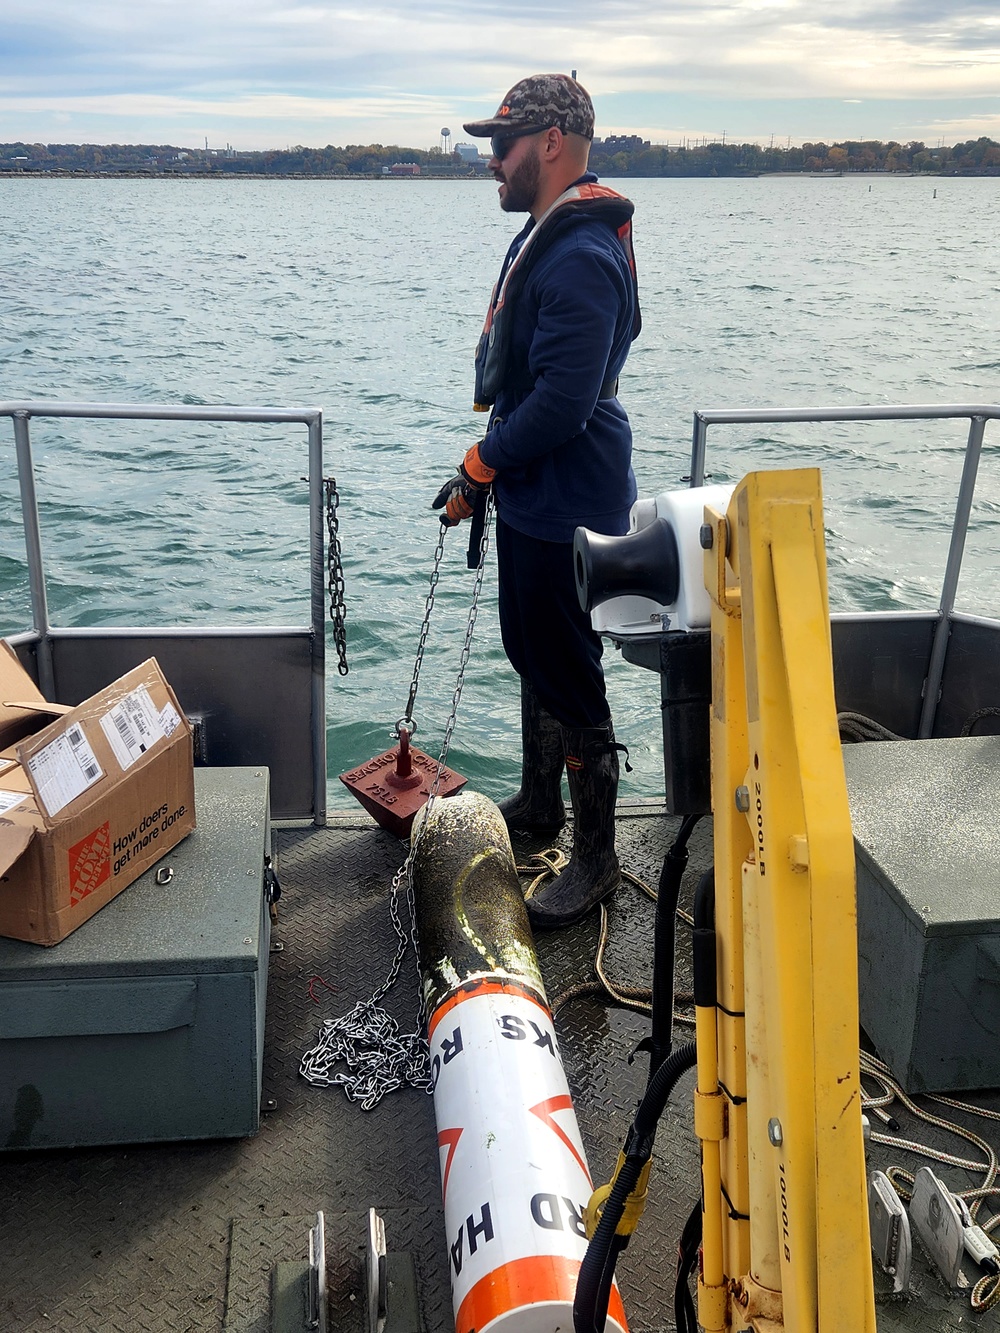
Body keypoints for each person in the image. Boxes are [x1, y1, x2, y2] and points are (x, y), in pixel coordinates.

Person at [432, 73, 641, 930]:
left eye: (504, 144)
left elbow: (564, 400)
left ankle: (594, 857)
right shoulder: (549, 237)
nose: (493, 161)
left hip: (568, 500)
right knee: (534, 650)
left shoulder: (583, 255)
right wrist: (488, 472)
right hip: (531, 492)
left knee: (570, 673)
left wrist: (482, 461)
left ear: (551, 142)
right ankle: (539, 803)